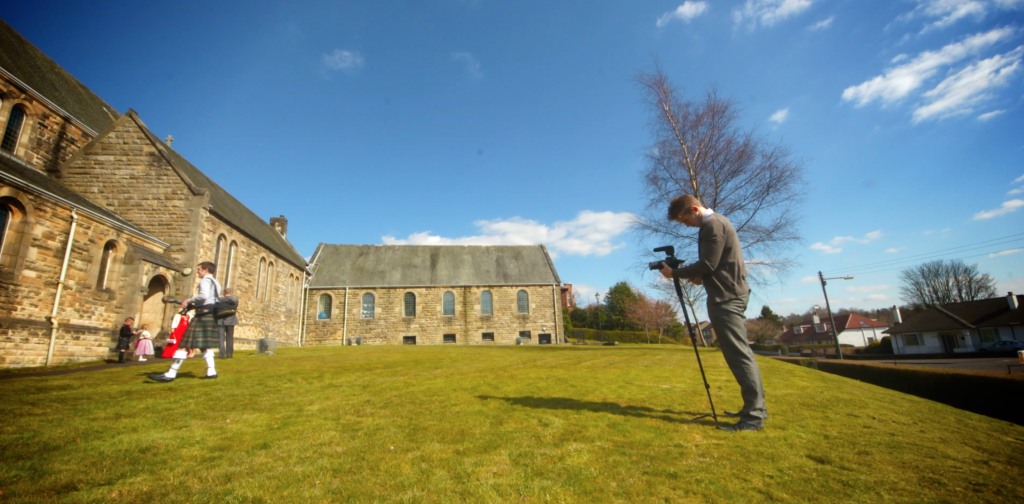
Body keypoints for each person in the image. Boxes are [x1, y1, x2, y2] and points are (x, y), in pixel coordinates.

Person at [659, 194, 767, 432]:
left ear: (695, 209)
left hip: (727, 297)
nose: (685, 225)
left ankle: (753, 417)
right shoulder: (715, 223)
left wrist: (673, 274)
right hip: (727, 293)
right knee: (737, 354)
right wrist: (701, 276)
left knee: (739, 355)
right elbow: (715, 265)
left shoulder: (712, 224)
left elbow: (708, 264)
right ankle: (753, 408)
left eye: (684, 219)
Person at [149, 262, 222, 382]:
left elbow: (203, 296)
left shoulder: (205, 281)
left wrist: (188, 301)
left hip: (201, 316)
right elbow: (210, 300)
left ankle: (170, 374)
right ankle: (211, 371)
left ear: (206, 270)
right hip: (209, 315)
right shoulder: (216, 283)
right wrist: (194, 305)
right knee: (205, 346)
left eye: (199, 269)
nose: (197, 271)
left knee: (183, 344)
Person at [216, 287, 239, 359]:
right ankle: (229, 354)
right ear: (231, 293)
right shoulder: (235, 300)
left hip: (220, 320)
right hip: (231, 320)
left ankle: (221, 355)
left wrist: (220, 297)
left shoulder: (219, 300)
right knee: (229, 338)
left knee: (221, 338)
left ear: (223, 293)